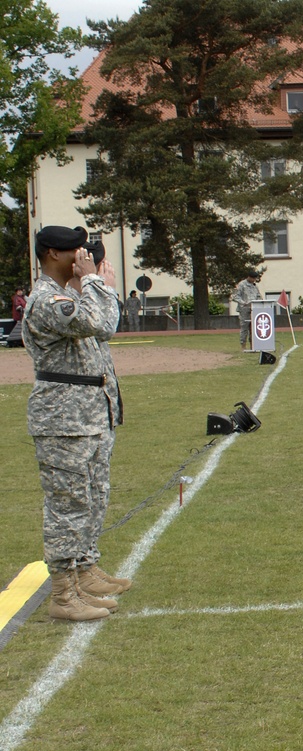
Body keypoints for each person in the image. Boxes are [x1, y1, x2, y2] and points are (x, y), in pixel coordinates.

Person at [22, 225, 131, 621]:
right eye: (76, 252)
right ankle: (64, 594)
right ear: (53, 254)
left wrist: (89, 285)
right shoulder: (48, 301)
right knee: (68, 507)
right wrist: (99, 285)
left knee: (92, 497)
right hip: (63, 419)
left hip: (88, 412)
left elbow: (99, 331)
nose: (83, 258)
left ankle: (84, 570)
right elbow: (103, 324)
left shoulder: (70, 295)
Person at [233, 270, 263, 350]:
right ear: (249, 277)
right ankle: (243, 345)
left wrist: (260, 302)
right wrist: (243, 303)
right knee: (244, 328)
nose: (254, 280)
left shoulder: (254, 286)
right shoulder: (241, 285)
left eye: (255, 278)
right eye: (253, 278)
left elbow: (259, 296)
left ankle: (253, 345)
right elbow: (235, 296)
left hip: (254, 309)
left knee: (254, 328)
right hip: (244, 309)